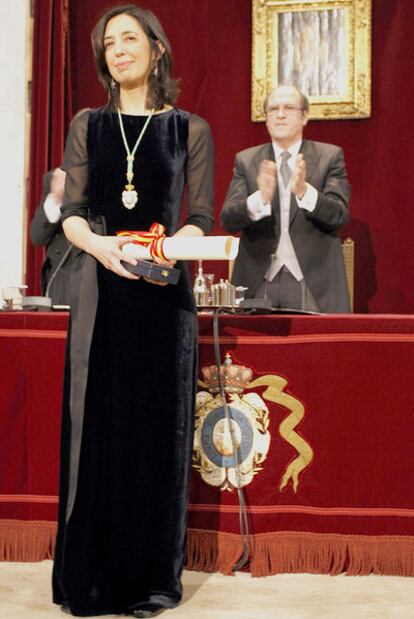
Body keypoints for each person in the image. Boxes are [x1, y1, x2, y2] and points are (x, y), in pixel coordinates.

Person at [52, 4, 214, 617]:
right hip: (100, 293)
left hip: (163, 297)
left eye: (129, 39)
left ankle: (150, 581)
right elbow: (72, 211)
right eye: (108, 43)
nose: (118, 50)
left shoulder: (189, 129)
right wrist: (102, 246)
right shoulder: (88, 123)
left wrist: (168, 249)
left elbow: (199, 216)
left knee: (156, 435)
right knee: (96, 431)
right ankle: (88, 580)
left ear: (157, 48)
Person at [220, 84, 351, 313]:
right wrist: (259, 199)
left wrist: (304, 191)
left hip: (314, 280)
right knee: (257, 349)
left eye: (289, 107)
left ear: (304, 116)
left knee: (317, 349)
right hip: (258, 279)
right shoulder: (247, 160)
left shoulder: (329, 156)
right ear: (266, 118)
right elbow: (228, 219)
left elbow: (338, 215)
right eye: (273, 109)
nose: (280, 114)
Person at [29, 168, 75, 305]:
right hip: (62, 277)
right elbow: (37, 237)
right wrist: (56, 199)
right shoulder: (55, 178)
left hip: (98, 271)